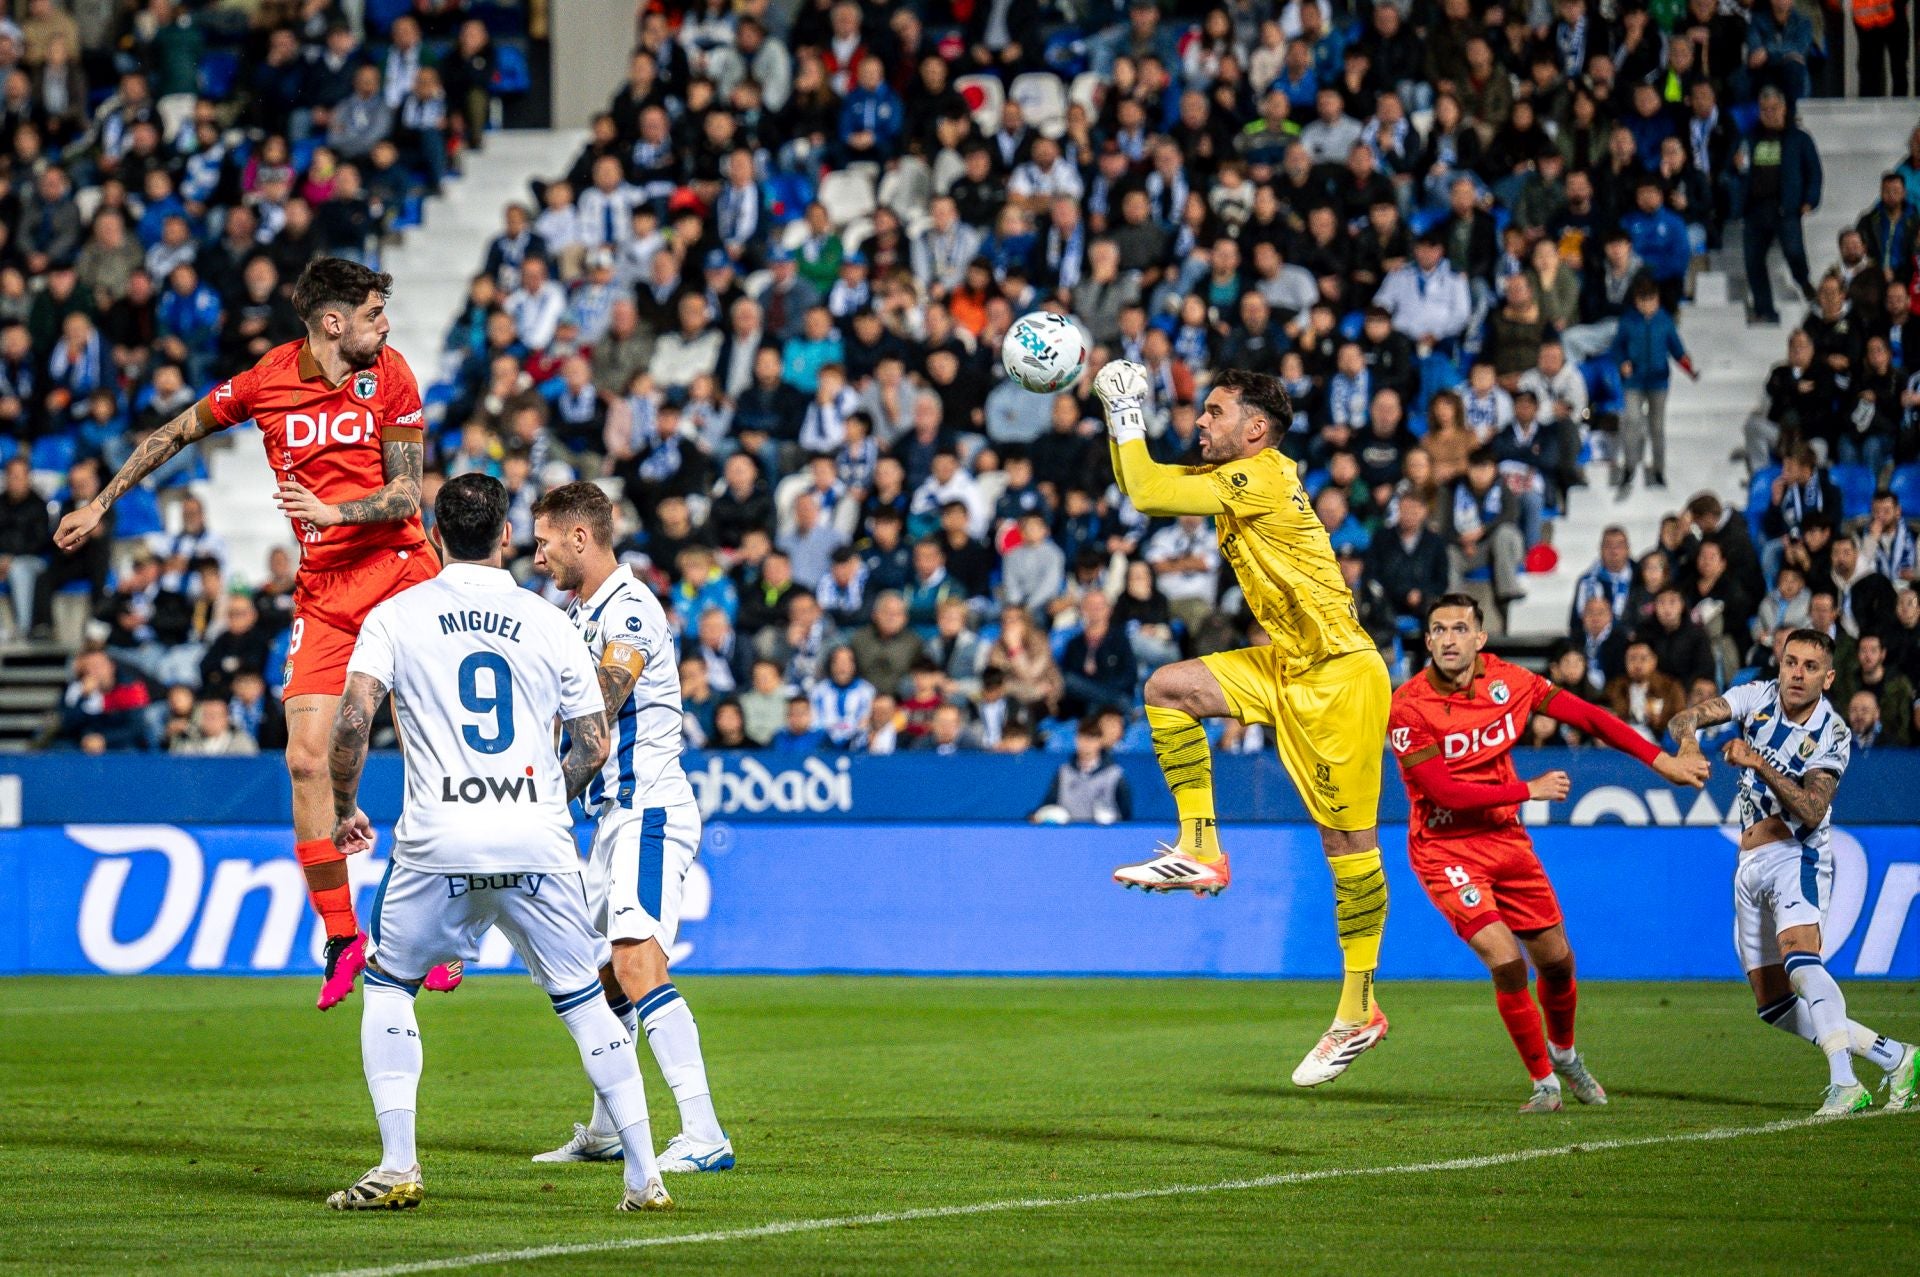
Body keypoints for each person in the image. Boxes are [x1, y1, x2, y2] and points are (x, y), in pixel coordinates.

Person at [51, 257, 457, 1009]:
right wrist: (103, 504)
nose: (384, 326)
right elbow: (174, 433)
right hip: (327, 593)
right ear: (333, 322)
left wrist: (335, 512)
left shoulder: (390, 373)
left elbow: (407, 489)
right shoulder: (268, 380)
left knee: (436, 749)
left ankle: (437, 930)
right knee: (305, 761)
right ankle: (343, 938)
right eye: (373, 314)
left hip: (403, 573)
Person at [321, 473, 673, 1213]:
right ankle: (644, 1175)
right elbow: (594, 741)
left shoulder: (397, 614)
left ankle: (398, 1164)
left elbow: (352, 722)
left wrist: (346, 807)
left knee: (388, 984)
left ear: (433, 534)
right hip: (535, 838)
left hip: (437, 839)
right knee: (584, 1001)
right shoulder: (550, 621)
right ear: (507, 536)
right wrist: (549, 793)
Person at [1096, 363, 1394, 1087]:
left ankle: (1360, 1009)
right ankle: (1202, 846)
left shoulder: (1261, 476)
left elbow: (1147, 489)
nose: (1200, 423)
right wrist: (1120, 415)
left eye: (1215, 411)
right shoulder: (1242, 478)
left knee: (1347, 844)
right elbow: (1147, 486)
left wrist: (1125, 410)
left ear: (1254, 429)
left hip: (1339, 675)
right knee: (1168, 687)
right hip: (1285, 664)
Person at [1389, 594, 1708, 1110]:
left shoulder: (1509, 682)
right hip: (1446, 848)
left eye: (1459, 629)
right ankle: (1544, 1083)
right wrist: (1526, 790)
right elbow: (1443, 792)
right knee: (1506, 959)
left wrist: (1659, 760)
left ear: (1480, 638)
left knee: (1558, 963)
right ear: (1427, 641)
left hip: (1507, 842)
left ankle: (1564, 1053)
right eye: (1439, 630)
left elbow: (1590, 717)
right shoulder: (1407, 706)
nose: (1449, 639)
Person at [527, 482, 734, 1174]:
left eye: (545, 539)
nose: (538, 554)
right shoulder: (580, 612)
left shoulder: (631, 609)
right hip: (614, 816)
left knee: (636, 960)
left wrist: (537, 801)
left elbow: (600, 716)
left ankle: (704, 1130)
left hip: (649, 807)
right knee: (605, 978)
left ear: (580, 537)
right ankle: (608, 1127)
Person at [1666, 631, 1919, 1116]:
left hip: (1796, 856)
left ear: (1827, 677)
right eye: (1790, 662)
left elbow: (1811, 806)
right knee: (1774, 1005)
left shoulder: (1833, 733)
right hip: (1749, 866)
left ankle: (1846, 1084)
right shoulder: (1756, 696)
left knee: (1802, 965)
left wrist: (1758, 763)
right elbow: (1687, 715)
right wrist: (1689, 742)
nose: (1796, 674)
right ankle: (1898, 1057)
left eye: (1808, 666)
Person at [1740, 87, 1821, 326]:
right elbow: (1735, 169)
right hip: (1755, 209)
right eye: (1764, 110)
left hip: (1786, 208)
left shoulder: (1799, 138)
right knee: (1753, 261)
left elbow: (1814, 172)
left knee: (1794, 252)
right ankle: (1764, 309)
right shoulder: (1749, 137)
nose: (1770, 114)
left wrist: (1810, 200)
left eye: (1774, 108)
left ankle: (1804, 281)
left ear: (1785, 109)